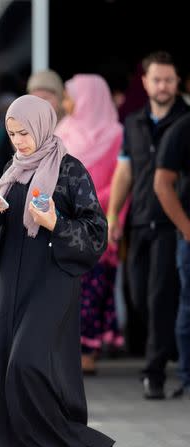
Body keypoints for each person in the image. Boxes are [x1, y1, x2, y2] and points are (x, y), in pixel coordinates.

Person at [0, 95, 114, 447]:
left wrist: (56, 224)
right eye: (12, 133)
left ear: (42, 127)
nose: (19, 141)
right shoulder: (11, 171)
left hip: (53, 282)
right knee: (5, 368)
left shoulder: (70, 172)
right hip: (12, 283)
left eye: (24, 133)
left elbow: (95, 234)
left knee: (28, 364)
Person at [107, 51, 188, 399]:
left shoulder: (186, 121)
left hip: (172, 222)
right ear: (145, 82)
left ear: (178, 82)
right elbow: (124, 171)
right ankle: (165, 345)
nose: (163, 86)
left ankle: (153, 372)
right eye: (157, 79)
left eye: (169, 79)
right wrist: (113, 214)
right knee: (138, 295)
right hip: (139, 219)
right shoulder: (134, 123)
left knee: (159, 297)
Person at [54, 74, 125, 374]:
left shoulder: (115, 133)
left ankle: (88, 352)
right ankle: (65, 350)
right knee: (67, 288)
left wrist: (94, 204)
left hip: (99, 220)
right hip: (65, 222)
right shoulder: (62, 131)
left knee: (95, 288)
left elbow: (121, 180)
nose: (66, 103)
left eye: (70, 96)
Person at [153, 112, 190, 399]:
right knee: (188, 306)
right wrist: (187, 229)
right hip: (188, 234)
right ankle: (188, 377)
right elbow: (162, 183)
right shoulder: (182, 129)